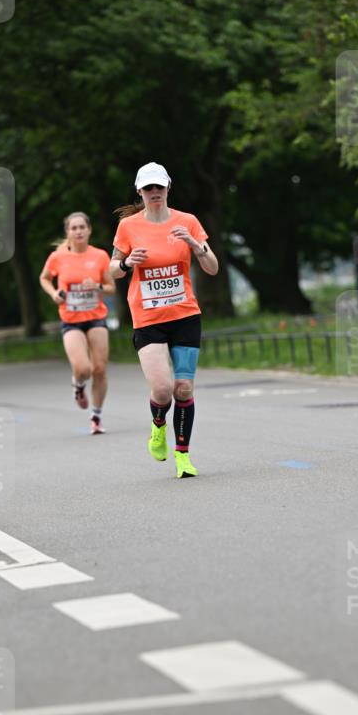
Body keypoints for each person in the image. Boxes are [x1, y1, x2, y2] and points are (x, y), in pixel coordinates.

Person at [110, 162, 219, 478]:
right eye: (148, 189)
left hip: (185, 315)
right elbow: (111, 269)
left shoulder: (188, 222)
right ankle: (158, 426)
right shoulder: (129, 227)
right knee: (162, 390)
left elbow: (212, 267)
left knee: (183, 388)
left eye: (159, 187)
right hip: (148, 318)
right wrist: (128, 262)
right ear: (140, 192)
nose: (154, 193)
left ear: (168, 188)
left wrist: (196, 246)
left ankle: (182, 456)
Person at [40, 212, 115, 433]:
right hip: (70, 319)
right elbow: (44, 278)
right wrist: (54, 293)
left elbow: (111, 288)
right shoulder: (57, 257)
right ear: (68, 232)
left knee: (100, 369)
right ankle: (79, 384)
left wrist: (98, 287)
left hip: (96, 317)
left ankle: (96, 416)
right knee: (83, 368)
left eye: (82, 227)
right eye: (74, 228)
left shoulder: (100, 256)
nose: (79, 231)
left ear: (89, 230)